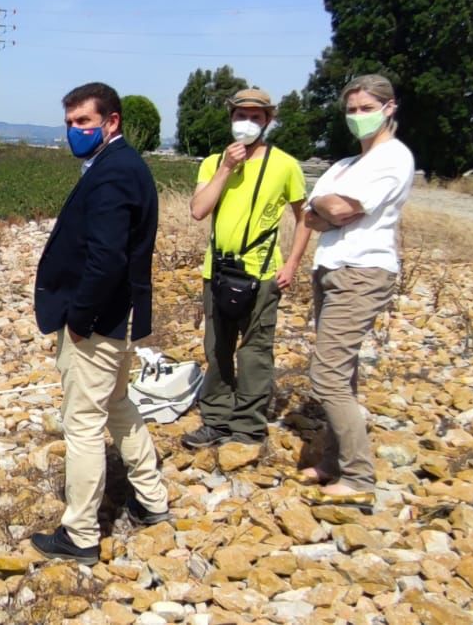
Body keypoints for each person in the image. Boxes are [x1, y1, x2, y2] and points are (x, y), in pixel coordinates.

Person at [29, 82, 170, 565]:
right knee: (117, 404)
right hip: (118, 317)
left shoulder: (114, 174)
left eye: (84, 122)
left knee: (83, 423)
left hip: (100, 322)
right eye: (69, 123)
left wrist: (80, 319)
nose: (75, 131)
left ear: (111, 122)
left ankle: (81, 534)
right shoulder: (120, 165)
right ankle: (152, 499)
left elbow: (106, 259)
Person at [295, 74, 414, 512]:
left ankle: (360, 475)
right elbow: (312, 214)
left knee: (326, 375)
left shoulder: (393, 159)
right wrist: (327, 207)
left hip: (362, 271)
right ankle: (332, 461)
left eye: (367, 108)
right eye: (352, 109)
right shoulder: (345, 165)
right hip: (331, 268)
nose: (358, 116)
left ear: (389, 108)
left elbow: (341, 209)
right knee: (340, 373)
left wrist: (329, 206)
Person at [182, 89, 311, 450]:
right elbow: (198, 210)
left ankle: (249, 427)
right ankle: (217, 420)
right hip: (219, 269)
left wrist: (293, 263)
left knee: (255, 350)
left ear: (268, 120)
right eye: (242, 115)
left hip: (263, 272)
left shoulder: (285, 164)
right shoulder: (213, 162)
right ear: (231, 118)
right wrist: (226, 168)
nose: (248, 123)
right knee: (217, 348)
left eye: (256, 117)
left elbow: (305, 218)